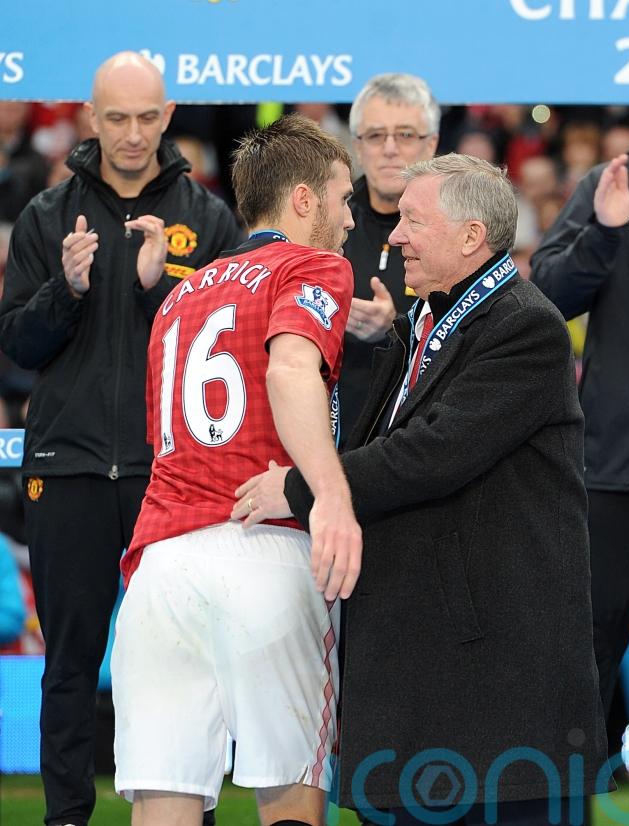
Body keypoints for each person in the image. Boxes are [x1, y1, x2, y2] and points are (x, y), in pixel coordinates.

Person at [233, 154, 610, 825]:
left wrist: (302, 488)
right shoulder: (425, 323)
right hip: (429, 680)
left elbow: (432, 455)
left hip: (495, 696)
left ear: (471, 236)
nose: (395, 235)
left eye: (413, 220)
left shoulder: (525, 325)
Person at [0, 51, 242, 826]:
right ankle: (66, 817)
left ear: (167, 116)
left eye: (146, 117)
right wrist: (65, 290)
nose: (133, 134)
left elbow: (227, 355)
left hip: (172, 473)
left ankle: (189, 814)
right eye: (117, 118)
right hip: (67, 467)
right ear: (90, 118)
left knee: (183, 663)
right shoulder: (46, 217)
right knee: (68, 664)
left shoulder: (209, 219)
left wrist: (158, 289)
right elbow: (17, 346)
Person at [111, 114, 362, 826]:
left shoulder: (179, 296)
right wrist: (332, 495)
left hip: (161, 566)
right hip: (265, 548)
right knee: (289, 795)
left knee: (164, 803)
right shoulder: (312, 265)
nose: (349, 219)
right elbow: (289, 368)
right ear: (304, 199)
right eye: (343, 198)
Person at [530, 151, 629, 726]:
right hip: (614, 471)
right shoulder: (611, 183)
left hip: (614, 463)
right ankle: (577, 778)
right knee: (586, 660)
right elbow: (548, 294)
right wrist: (604, 232)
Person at [337, 73, 440, 446]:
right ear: (357, 146)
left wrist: (396, 327)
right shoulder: (322, 221)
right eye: (376, 135)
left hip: (422, 442)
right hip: (332, 435)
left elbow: (477, 336)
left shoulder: (459, 229)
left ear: (432, 143)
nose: (390, 149)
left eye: (406, 135)